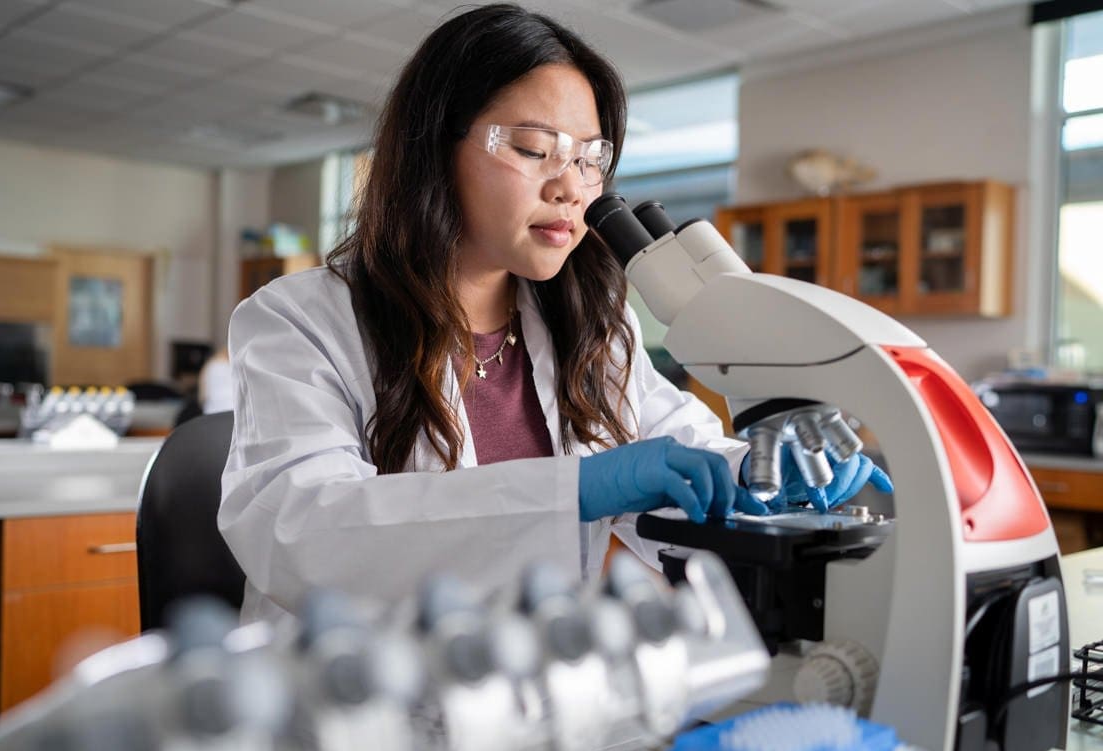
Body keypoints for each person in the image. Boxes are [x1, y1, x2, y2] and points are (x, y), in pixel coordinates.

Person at [218, 4, 890, 624]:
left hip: (540, 700)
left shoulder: (591, 321)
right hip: (360, 711)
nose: (571, 186)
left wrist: (752, 472)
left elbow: (678, 444)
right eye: (535, 150)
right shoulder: (299, 321)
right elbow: (300, 533)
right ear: (434, 149)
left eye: (590, 158)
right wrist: (576, 488)